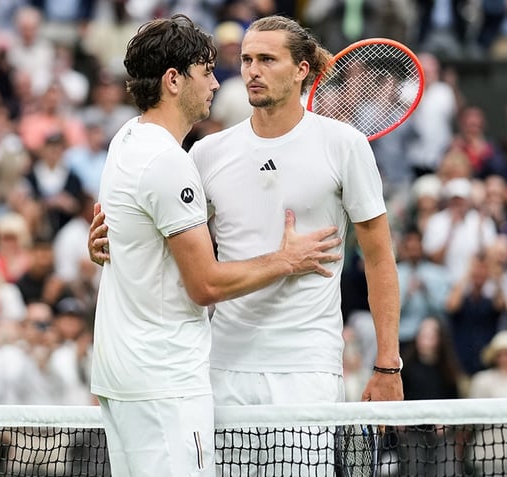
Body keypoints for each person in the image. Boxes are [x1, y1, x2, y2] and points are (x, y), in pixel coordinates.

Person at [90, 14, 403, 475]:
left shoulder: (345, 145)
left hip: (305, 369)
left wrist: (387, 364)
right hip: (219, 369)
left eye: (267, 59)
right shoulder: (205, 153)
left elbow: (379, 258)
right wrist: (107, 235)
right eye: (248, 59)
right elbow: (165, 226)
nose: (251, 70)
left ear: (301, 70)